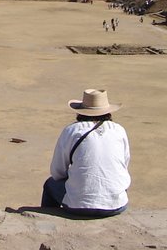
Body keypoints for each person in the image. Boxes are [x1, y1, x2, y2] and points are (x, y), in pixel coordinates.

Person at [41, 88, 130, 217]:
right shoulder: (119, 130)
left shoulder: (71, 131)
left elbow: (57, 172)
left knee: (50, 185)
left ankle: (47, 217)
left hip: (78, 206)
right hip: (116, 205)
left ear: (81, 112)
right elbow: (123, 165)